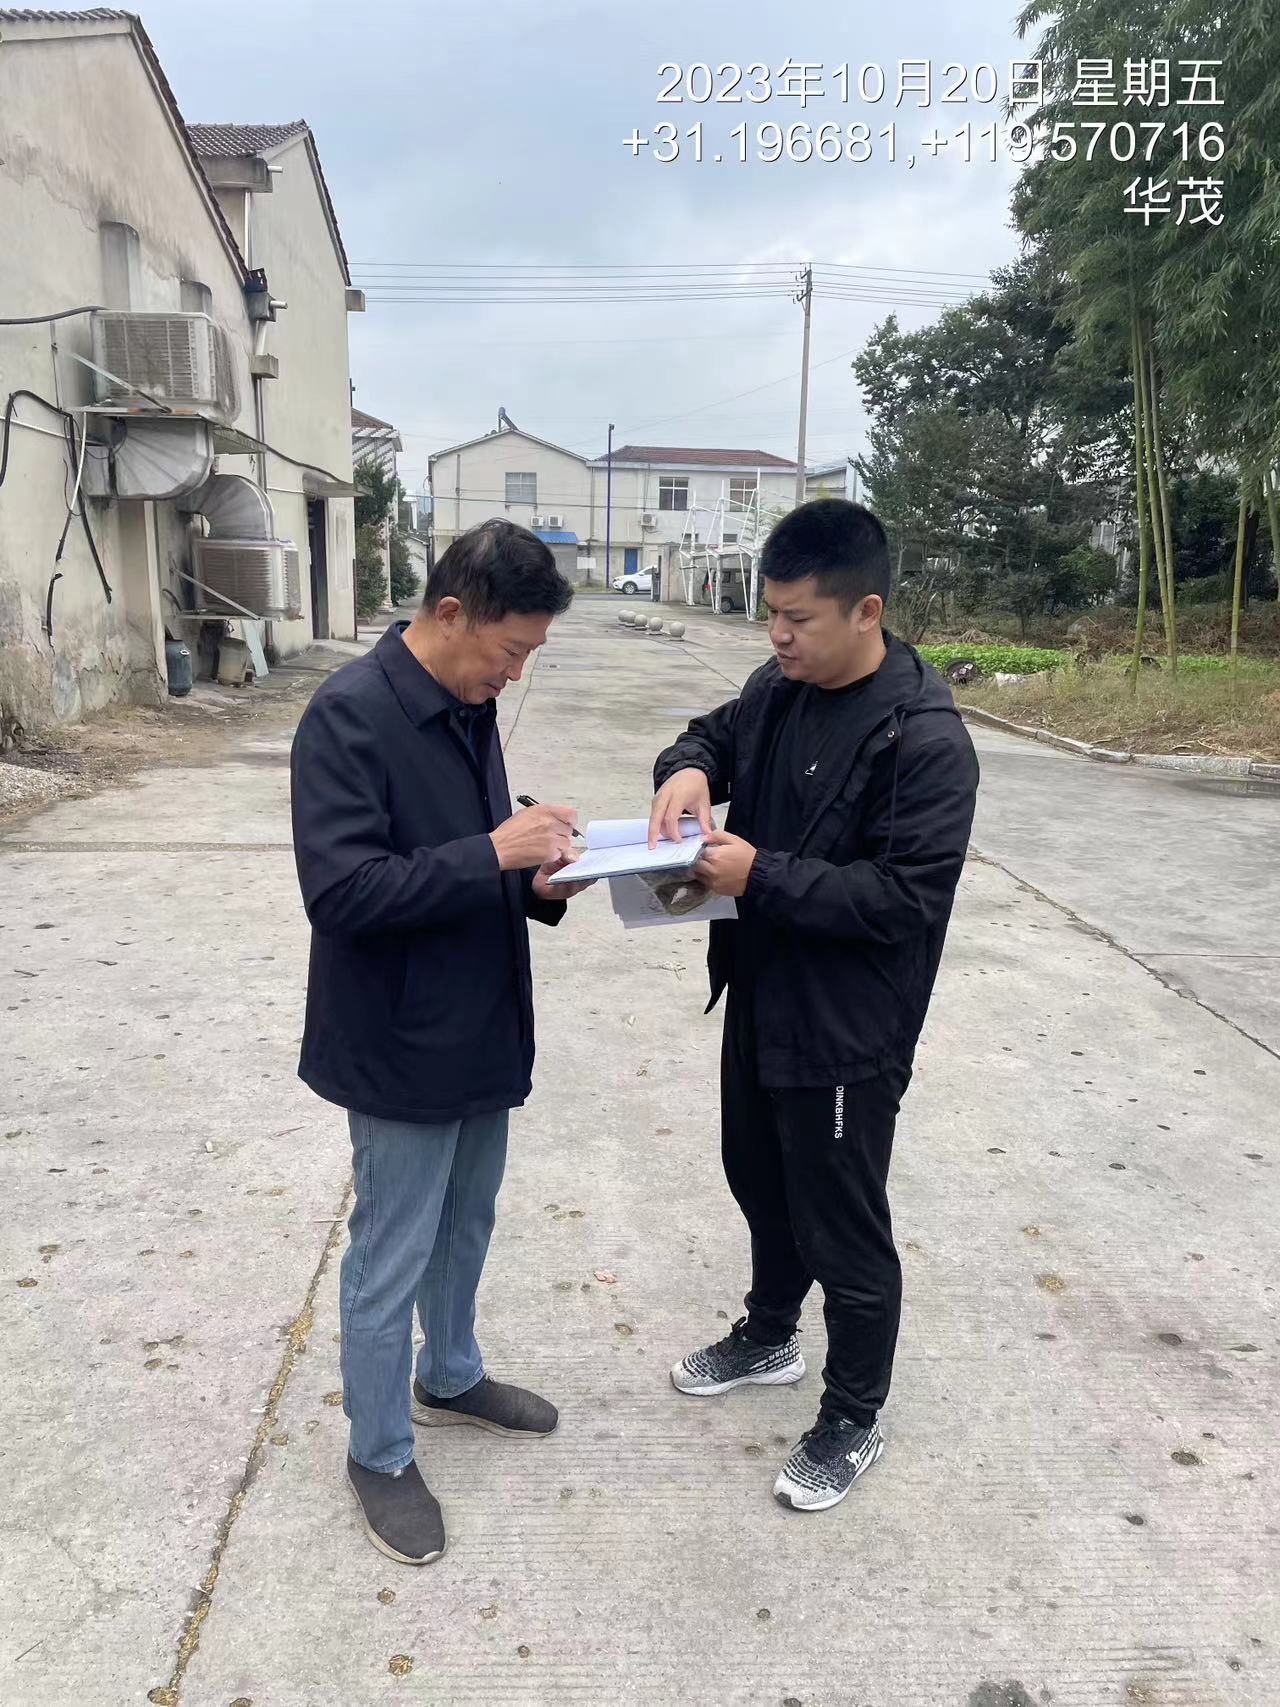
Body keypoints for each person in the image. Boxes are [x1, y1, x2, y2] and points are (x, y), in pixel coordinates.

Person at [649, 499, 979, 1513]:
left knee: (842, 1223)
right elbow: (712, 734)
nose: (776, 636)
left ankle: (852, 1413)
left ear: (865, 611)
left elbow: (902, 899)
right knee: (758, 1176)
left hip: (847, 1027)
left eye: (797, 618)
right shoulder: (777, 688)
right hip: (762, 990)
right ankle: (769, 1333)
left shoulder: (923, 739)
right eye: (770, 614)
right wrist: (689, 769)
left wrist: (758, 875)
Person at [290, 519, 590, 1566]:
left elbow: (473, 860)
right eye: (509, 651)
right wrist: (492, 852)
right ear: (451, 613)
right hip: (398, 1040)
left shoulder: (470, 705)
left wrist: (541, 878)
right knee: (392, 1249)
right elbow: (342, 893)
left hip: (480, 1024)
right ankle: (377, 1450)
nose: (513, 675)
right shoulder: (350, 715)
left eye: (529, 657)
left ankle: (450, 1373)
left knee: (467, 1220)